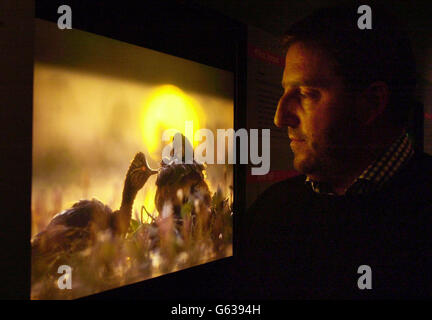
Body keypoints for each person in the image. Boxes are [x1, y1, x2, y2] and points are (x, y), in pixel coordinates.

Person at [236, 4, 432, 299]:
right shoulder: (271, 211)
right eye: (284, 92)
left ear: (371, 103)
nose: (280, 117)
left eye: (305, 94)